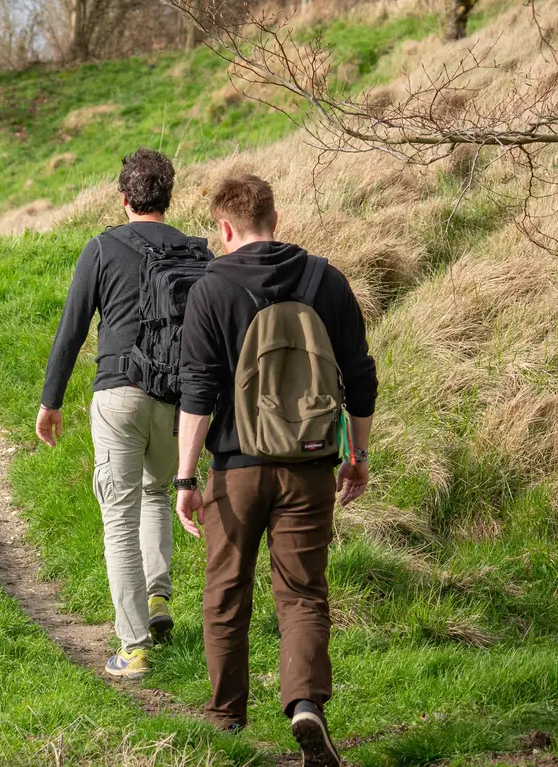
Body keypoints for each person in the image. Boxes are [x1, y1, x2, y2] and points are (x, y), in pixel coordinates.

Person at [173, 174, 376, 766]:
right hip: (310, 464)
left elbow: (198, 389)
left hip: (236, 469)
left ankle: (225, 719)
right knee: (303, 592)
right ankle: (306, 703)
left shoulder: (210, 289)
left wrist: (187, 478)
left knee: (226, 590)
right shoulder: (325, 281)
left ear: (225, 228)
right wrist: (357, 456)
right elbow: (360, 376)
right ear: (276, 219)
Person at [37, 148, 209, 679]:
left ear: (123, 196)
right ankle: (159, 597)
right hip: (179, 399)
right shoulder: (198, 253)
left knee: (119, 516)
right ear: (169, 196)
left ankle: (132, 647)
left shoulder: (102, 248)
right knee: (159, 491)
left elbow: (71, 328)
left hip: (119, 394)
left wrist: (51, 400)